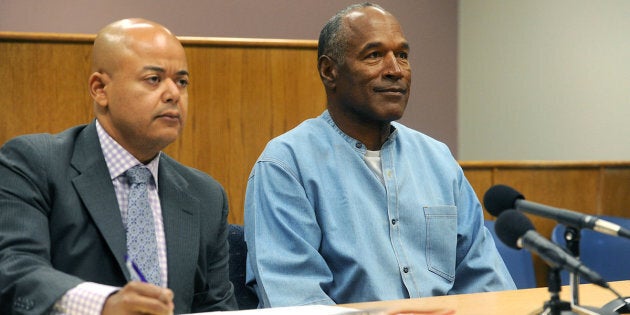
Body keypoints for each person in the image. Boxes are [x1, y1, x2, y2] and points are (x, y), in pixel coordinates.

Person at [244, 2, 516, 308]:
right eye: (374, 56)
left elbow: (487, 282)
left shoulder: (438, 160)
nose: (395, 71)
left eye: (402, 55)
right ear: (329, 70)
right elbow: (296, 300)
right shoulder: (285, 165)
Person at [0, 18, 237, 314]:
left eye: (182, 82)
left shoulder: (206, 196)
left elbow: (216, 307)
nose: (173, 94)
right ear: (100, 89)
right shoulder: (34, 163)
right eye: (154, 79)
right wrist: (105, 305)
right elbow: (15, 270)